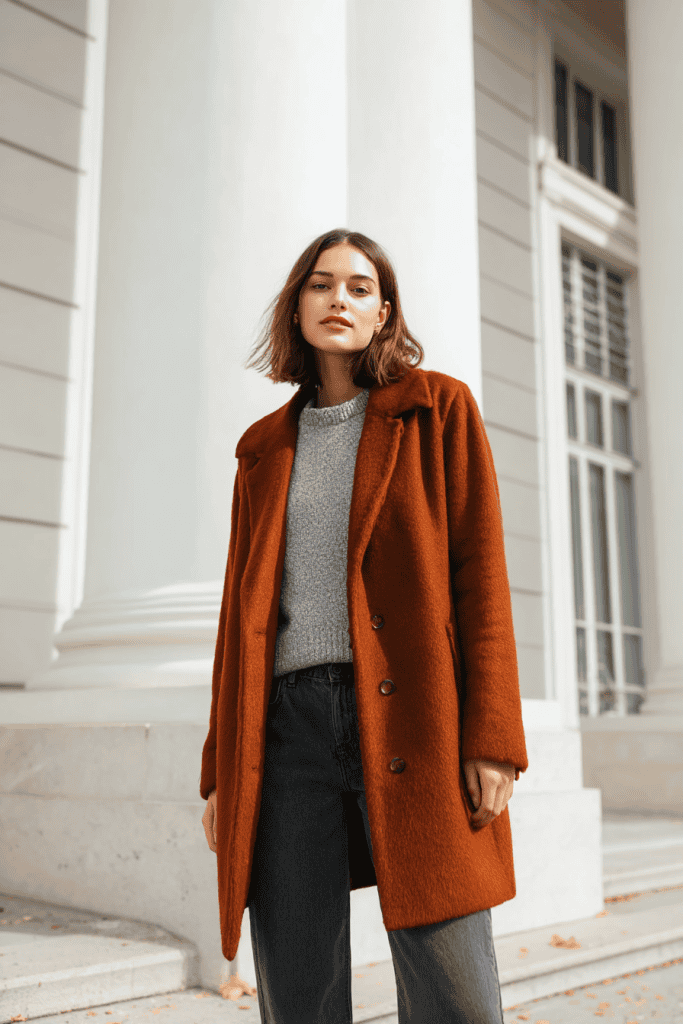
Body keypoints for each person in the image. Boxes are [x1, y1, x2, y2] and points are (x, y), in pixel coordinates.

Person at [201, 228, 529, 1023]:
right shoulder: (263, 449)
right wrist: (220, 770)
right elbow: (238, 621)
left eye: (357, 287)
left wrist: (492, 737)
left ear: (383, 312)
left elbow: (479, 577)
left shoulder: (436, 410)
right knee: (299, 990)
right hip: (288, 734)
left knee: (455, 992)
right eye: (320, 285)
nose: (337, 300)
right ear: (297, 306)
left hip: (415, 716)